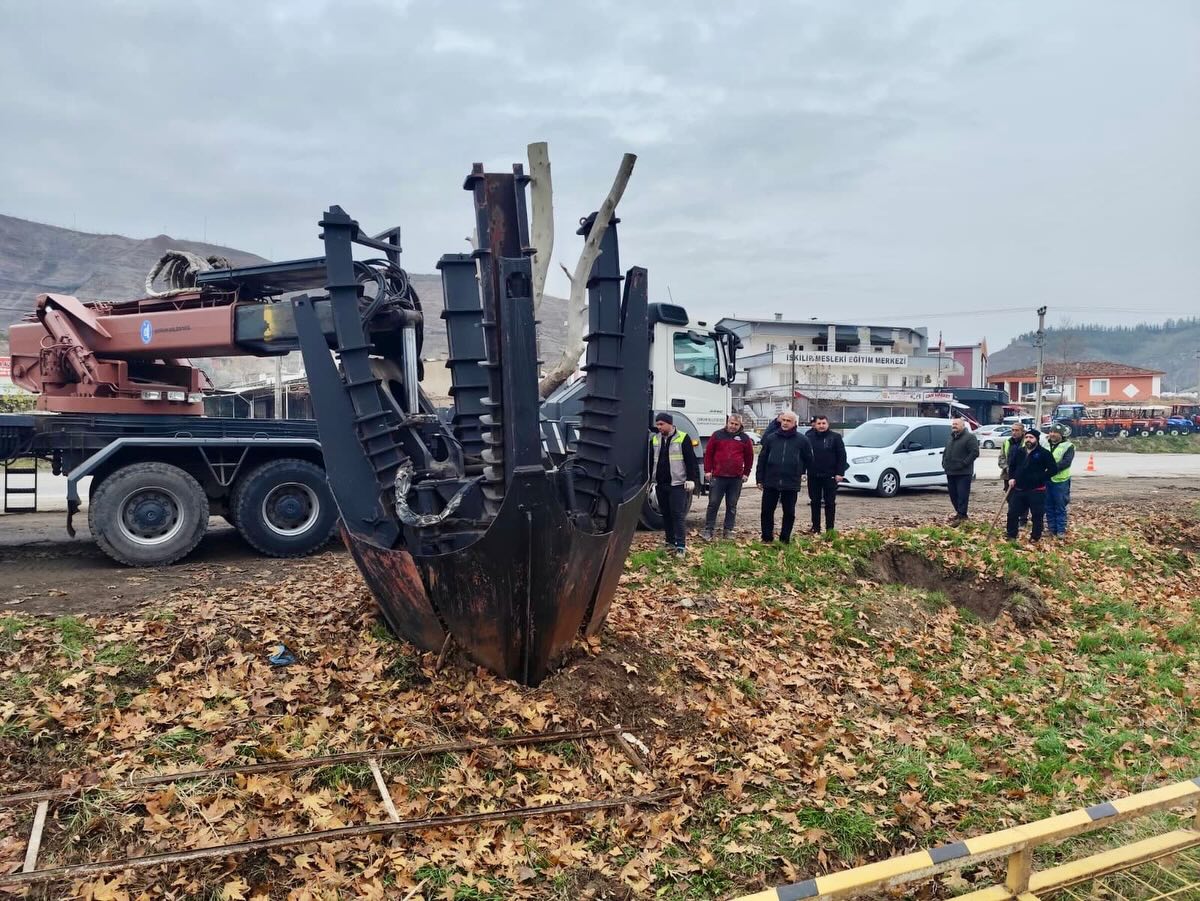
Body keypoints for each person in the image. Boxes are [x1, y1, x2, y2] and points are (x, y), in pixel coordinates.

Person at [755, 410, 812, 543]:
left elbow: (809, 459)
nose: (785, 423)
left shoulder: (802, 440)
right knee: (767, 511)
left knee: (789, 513)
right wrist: (759, 479)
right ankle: (767, 538)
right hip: (771, 480)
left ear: (794, 423)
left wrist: (801, 471)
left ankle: (785, 539)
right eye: (783, 420)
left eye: (788, 421)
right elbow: (762, 459)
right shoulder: (771, 438)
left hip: (791, 482)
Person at [649, 412, 699, 555]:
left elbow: (691, 461)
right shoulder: (655, 439)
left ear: (670, 424)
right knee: (666, 514)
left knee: (677, 514)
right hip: (661, 483)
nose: (659, 427)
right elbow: (651, 461)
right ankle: (670, 542)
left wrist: (691, 479)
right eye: (657, 424)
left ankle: (681, 546)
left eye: (661, 424)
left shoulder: (683, 438)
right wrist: (651, 481)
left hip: (677, 484)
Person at [702, 414, 755, 540]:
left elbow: (749, 457)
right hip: (718, 476)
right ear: (727, 423)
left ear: (740, 425)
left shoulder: (744, 438)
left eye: (736, 424)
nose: (733, 426)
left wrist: (746, 473)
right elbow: (709, 453)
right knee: (713, 504)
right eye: (731, 423)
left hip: (736, 478)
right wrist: (707, 470)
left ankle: (728, 530)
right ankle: (709, 530)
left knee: (732, 505)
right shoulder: (717, 435)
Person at [1005, 428, 1056, 542]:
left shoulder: (1044, 453)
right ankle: (1011, 535)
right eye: (1027, 437)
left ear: (1036, 439)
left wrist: (1040, 478)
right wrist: (1011, 478)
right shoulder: (1019, 452)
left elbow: (1053, 469)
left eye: (1031, 437)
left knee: (1037, 515)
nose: (1028, 440)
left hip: (1036, 490)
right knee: (1012, 513)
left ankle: (1035, 536)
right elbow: (1012, 466)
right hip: (1019, 489)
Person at [804, 414, 848, 534]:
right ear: (815, 425)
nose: (821, 426)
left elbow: (842, 456)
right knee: (815, 502)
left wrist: (840, 472)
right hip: (813, 475)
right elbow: (804, 456)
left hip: (830, 475)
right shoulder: (809, 437)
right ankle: (816, 527)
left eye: (824, 423)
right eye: (819, 423)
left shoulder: (835, 437)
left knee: (830, 502)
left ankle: (830, 529)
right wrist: (803, 471)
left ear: (828, 424)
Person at [942, 416, 980, 523]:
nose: (954, 426)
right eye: (953, 424)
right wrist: (944, 462)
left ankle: (962, 515)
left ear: (963, 426)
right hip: (950, 471)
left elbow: (974, 453)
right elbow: (946, 451)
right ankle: (959, 513)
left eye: (956, 424)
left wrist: (964, 464)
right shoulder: (951, 437)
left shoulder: (969, 437)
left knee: (962, 495)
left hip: (963, 473)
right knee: (953, 495)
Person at [1044, 423, 1075, 538]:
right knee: (1048, 505)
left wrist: (1051, 470)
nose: (1052, 434)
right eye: (1051, 432)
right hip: (1047, 480)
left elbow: (1066, 462)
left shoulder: (1068, 446)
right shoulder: (1045, 444)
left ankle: (1060, 530)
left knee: (1060, 505)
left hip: (1061, 481)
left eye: (1055, 432)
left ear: (1061, 434)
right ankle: (1052, 529)